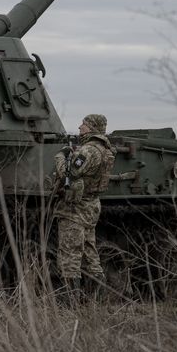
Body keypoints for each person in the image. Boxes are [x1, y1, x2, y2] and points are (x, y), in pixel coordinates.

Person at [52, 113, 116, 296]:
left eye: (84, 124)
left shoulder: (89, 150)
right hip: (91, 205)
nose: (80, 127)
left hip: (76, 208)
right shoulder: (105, 149)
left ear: (92, 127)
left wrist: (62, 155)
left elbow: (68, 173)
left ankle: (70, 301)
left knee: (69, 255)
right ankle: (97, 299)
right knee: (89, 253)